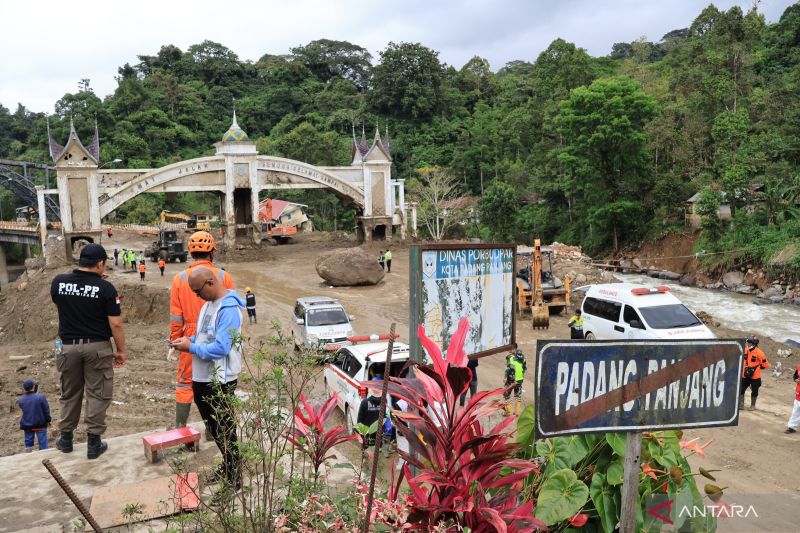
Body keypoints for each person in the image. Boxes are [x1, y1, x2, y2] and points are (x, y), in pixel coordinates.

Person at [170, 267, 245, 489]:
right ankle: (229, 464)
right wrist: (188, 340)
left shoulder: (229, 309)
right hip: (203, 377)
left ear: (210, 283)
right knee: (214, 428)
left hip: (220, 379)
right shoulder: (207, 305)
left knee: (224, 428)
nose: (196, 295)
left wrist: (191, 347)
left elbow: (222, 347)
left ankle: (234, 476)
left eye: (197, 290)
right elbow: (204, 335)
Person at [50, 243, 126, 459]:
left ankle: (66, 439)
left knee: (69, 392)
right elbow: (116, 324)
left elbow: (66, 302)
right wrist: (121, 350)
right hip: (97, 347)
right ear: (100, 263)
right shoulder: (106, 289)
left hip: (67, 347)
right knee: (98, 392)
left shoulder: (58, 282)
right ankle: (93, 443)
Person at [169, 231, 235, 431]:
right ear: (212, 251)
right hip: (218, 335)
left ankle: (181, 428)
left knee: (185, 383)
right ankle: (214, 430)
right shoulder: (223, 276)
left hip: (191, 337)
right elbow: (231, 310)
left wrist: (175, 342)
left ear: (190, 252)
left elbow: (176, 317)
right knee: (219, 382)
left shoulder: (179, 279)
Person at [18, 379, 51, 452]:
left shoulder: (21, 399)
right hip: (40, 425)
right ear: (33, 387)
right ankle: (44, 458)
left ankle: (29, 458)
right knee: (43, 445)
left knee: (28, 445)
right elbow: (46, 410)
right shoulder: (41, 397)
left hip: (28, 426)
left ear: (24, 388)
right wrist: (48, 420)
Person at [739, 335, 770, 411]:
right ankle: (741, 405)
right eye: (747, 342)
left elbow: (766, 365)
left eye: (749, 342)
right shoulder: (745, 350)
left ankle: (753, 405)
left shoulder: (760, 353)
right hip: (745, 374)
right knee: (741, 389)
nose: (748, 343)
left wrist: (756, 368)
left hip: (755, 376)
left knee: (755, 391)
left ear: (753, 343)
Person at [503, 349, 525, 415]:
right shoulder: (523, 359)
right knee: (517, 395)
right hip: (520, 380)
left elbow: (508, 370)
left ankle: (508, 412)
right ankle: (517, 412)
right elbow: (523, 369)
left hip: (511, 380)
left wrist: (504, 377)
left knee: (507, 394)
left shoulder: (510, 358)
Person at [785, 363, 800, 434]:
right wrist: (796, 380)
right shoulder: (799, 366)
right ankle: (792, 427)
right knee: (795, 412)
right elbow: (795, 376)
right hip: (798, 395)